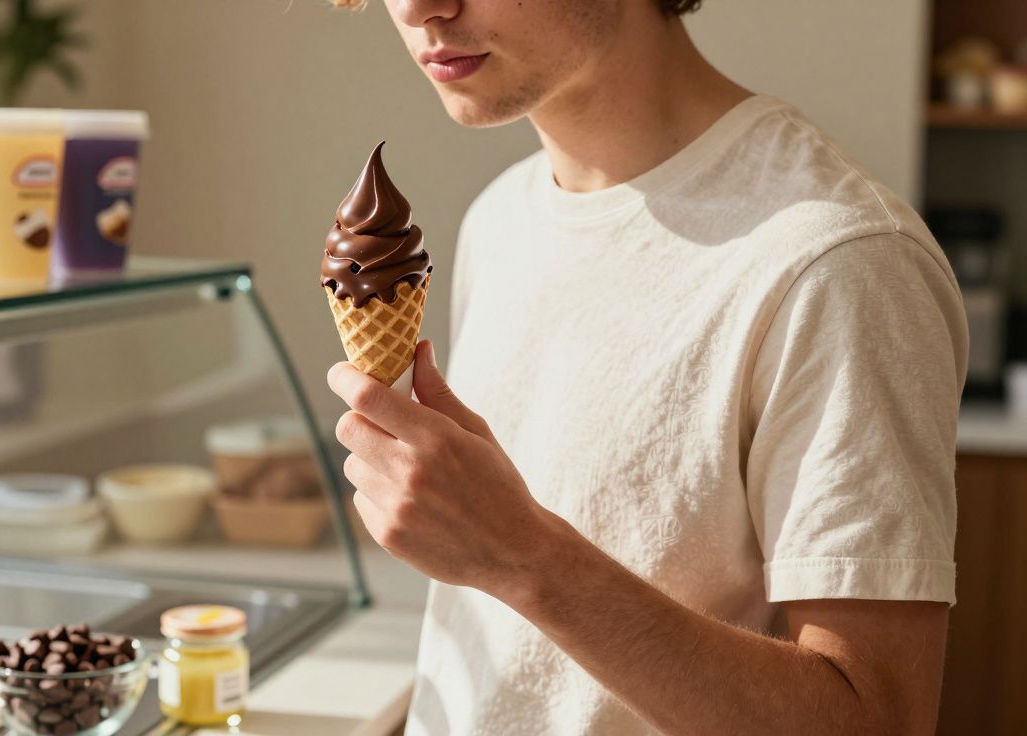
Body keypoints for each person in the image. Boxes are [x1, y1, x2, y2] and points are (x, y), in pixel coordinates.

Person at [324, 0, 969, 734]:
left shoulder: (839, 263)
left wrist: (522, 556)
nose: (417, 7)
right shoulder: (500, 219)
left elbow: (876, 719)